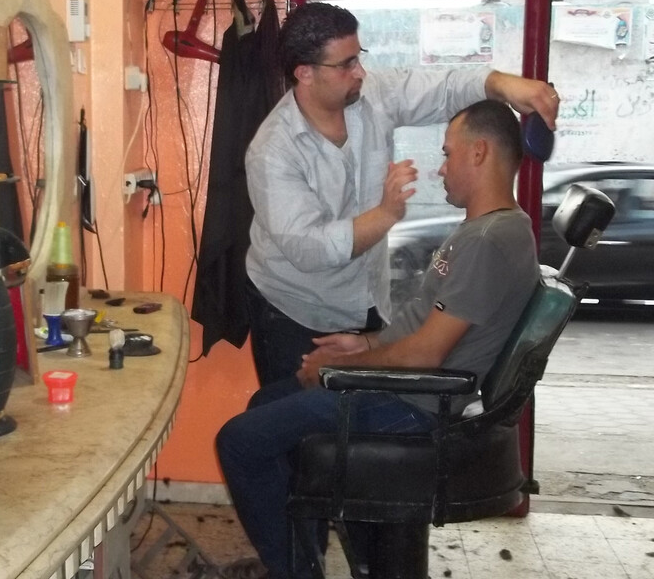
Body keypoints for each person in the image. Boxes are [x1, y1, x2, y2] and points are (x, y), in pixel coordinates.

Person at [217, 99, 541, 579]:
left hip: (418, 405)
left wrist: (337, 371)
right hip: (410, 389)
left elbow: (429, 353)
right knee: (265, 403)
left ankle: (296, 572)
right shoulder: (485, 230)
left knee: (239, 442)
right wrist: (362, 345)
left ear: (479, 153)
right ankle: (301, 558)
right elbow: (421, 329)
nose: (441, 167)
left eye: (449, 154)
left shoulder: (490, 240)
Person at [244, 1, 559, 387]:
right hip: (295, 312)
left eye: (359, 57)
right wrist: (386, 213)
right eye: (346, 65)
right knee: (287, 428)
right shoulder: (273, 150)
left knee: (355, 428)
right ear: (305, 73)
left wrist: (502, 84)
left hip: (367, 303)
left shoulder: (372, 95)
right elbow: (311, 250)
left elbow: (444, 88)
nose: (360, 72)